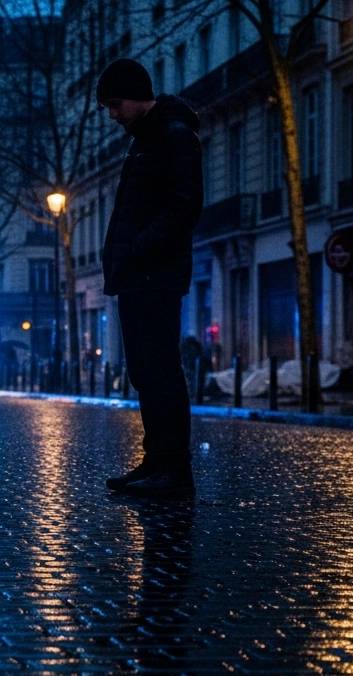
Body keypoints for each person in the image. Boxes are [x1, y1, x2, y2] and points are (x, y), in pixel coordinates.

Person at [96, 59, 203, 497]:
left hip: (154, 275)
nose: (113, 115)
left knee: (161, 371)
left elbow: (185, 206)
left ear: (139, 95)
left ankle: (174, 469)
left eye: (116, 104)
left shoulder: (173, 135)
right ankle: (156, 462)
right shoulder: (145, 139)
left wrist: (139, 249)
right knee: (144, 371)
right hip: (136, 276)